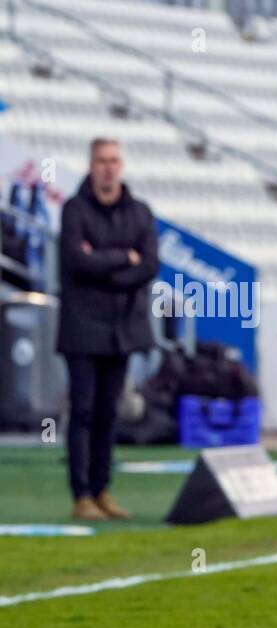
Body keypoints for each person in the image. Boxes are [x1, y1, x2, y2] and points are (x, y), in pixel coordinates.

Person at [57, 138, 158, 521]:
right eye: (101, 161)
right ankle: (81, 494)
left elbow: (149, 265)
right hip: (83, 329)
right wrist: (122, 258)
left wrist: (102, 262)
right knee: (82, 410)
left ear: (122, 165)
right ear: (91, 164)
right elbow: (75, 263)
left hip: (122, 328)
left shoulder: (140, 211)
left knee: (108, 413)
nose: (108, 168)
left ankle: (102, 489)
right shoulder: (74, 209)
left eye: (114, 160)